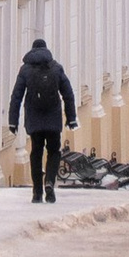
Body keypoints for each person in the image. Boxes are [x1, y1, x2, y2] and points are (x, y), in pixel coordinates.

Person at [10, 33, 79, 203]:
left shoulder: (25, 70)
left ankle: (37, 192)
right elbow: (68, 94)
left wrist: (13, 121)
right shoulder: (56, 68)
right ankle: (49, 181)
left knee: (36, 152)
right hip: (53, 118)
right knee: (54, 151)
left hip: (34, 119)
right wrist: (71, 118)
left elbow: (16, 96)